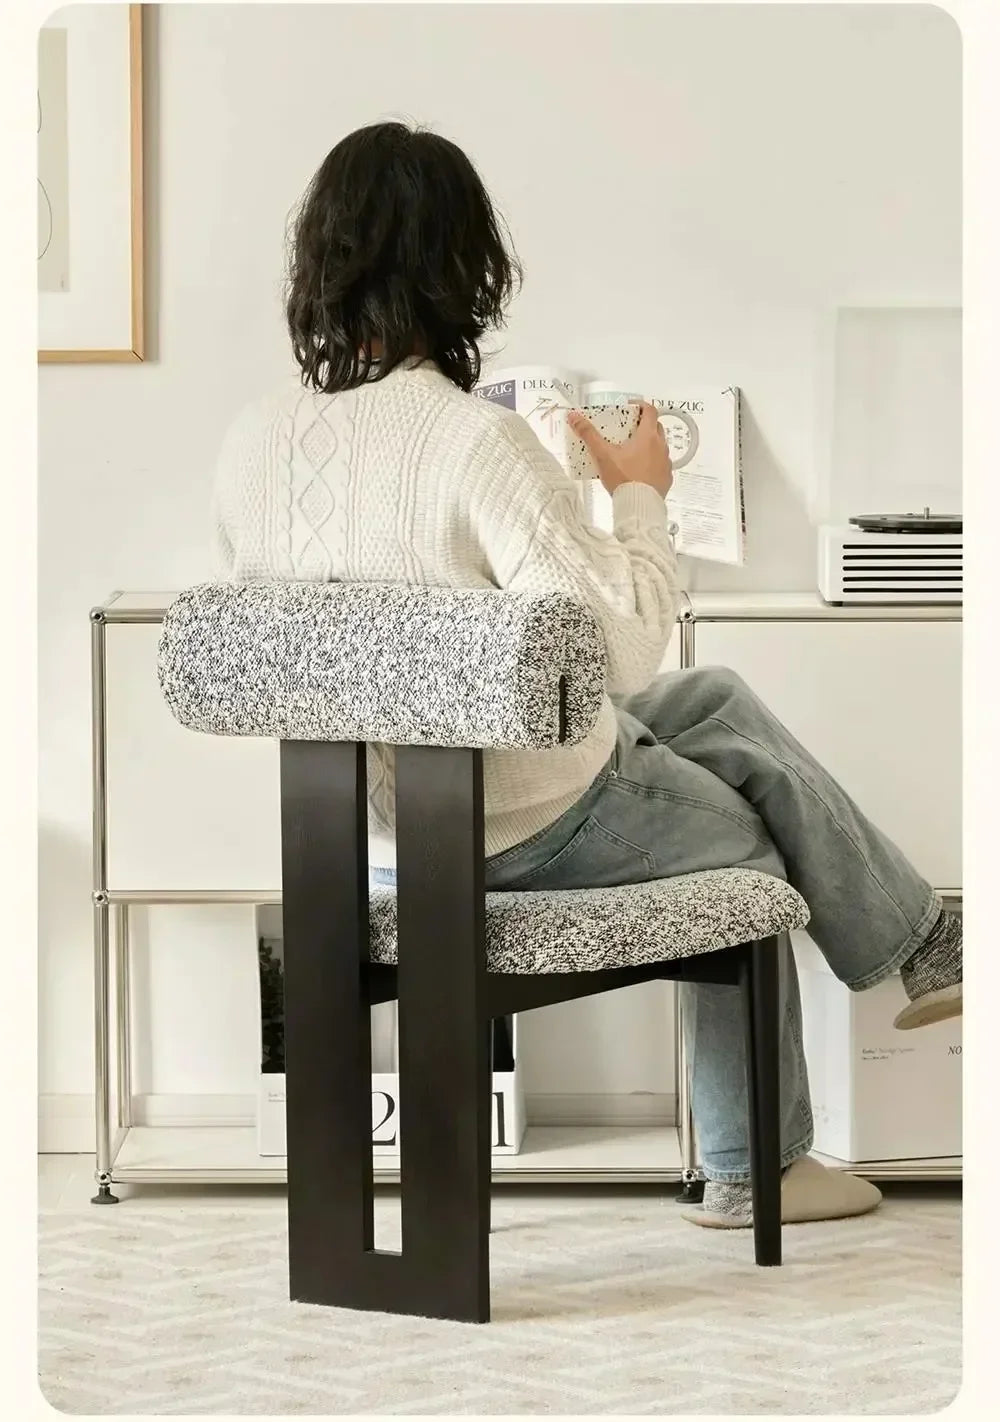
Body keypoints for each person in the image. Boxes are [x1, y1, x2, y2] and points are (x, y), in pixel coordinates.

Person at [212, 120, 962, 1229]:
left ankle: (924, 947)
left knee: (717, 708)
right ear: (462, 268)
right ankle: (758, 1165)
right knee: (753, 837)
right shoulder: (472, 443)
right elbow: (621, 651)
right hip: (515, 824)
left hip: (364, 835)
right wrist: (639, 494)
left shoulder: (253, 440)